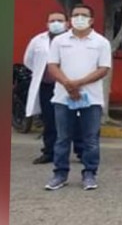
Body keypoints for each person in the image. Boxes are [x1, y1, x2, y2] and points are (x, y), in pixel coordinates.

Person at [44, 4, 111, 191]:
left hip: (91, 98)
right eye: (75, 15)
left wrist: (78, 83)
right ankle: (60, 174)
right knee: (62, 138)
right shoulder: (59, 41)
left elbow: (103, 69)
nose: (79, 18)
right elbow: (52, 66)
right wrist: (67, 84)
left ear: (91, 20)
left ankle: (89, 173)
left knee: (90, 139)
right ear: (70, 19)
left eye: (84, 15)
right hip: (62, 97)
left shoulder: (101, 42)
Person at [23, 11, 83, 165]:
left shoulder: (75, 39)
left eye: (60, 20)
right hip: (47, 86)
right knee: (49, 120)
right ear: (47, 24)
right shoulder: (38, 40)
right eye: (52, 20)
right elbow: (28, 60)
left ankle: (81, 151)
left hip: (68, 86)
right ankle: (49, 152)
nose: (56, 23)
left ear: (67, 23)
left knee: (75, 119)